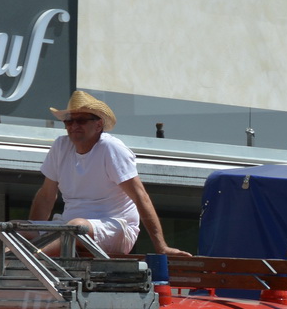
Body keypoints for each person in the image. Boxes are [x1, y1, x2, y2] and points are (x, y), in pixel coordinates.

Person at [30, 91, 185, 259]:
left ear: (99, 125)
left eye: (81, 120)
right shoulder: (61, 146)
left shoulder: (111, 148)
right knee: (13, 228)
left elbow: (141, 197)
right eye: (69, 121)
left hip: (117, 228)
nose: (74, 125)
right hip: (70, 228)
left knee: (76, 227)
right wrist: (33, 229)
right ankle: (15, 262)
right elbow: (46, 196)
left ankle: (22, 261)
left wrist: (161, 247)